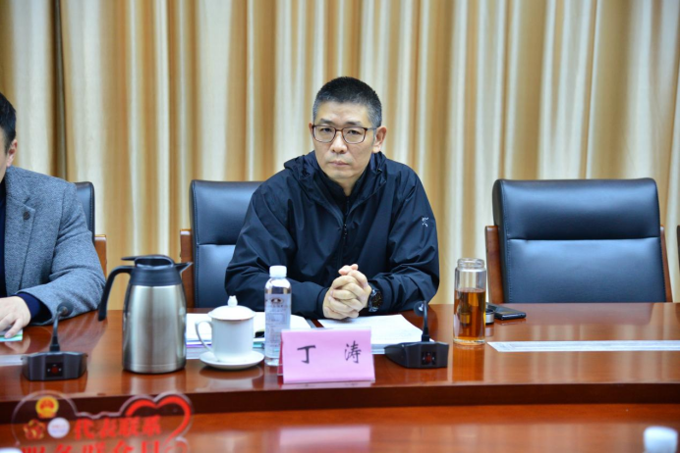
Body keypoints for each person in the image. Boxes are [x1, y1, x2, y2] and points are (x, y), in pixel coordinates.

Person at [226, 77, 439, 320]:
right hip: (301, 330)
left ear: (378, 138)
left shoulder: (402, 186)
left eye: (353, 132)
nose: (338, 146)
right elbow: (243, 280)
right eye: (326, 130)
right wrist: (320, 300)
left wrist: (371, 295)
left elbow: (421, 275)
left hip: (373, 332)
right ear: (312, 131)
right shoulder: (278, 192)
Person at [0, 91, 105, 338]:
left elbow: (87, 278)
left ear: (10, 152)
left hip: (21, 349)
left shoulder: (55, 199)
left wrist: (26, 303)